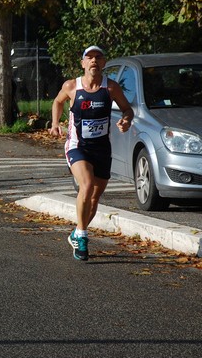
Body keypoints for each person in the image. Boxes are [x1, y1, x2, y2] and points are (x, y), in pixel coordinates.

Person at [49, 45, 134, 261]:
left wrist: (126, 120)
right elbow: (58, 101)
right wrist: (55, 123)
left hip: (102, 149)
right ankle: (84, 236)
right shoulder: (72, 86)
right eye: (90, 57)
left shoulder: (111, 88)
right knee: (86, 185)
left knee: (94, 198)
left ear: (104, 63)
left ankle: (77, 232)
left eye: (98, 57)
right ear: (83, 63)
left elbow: (127, 109)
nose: (94, 60)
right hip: (77, 146)